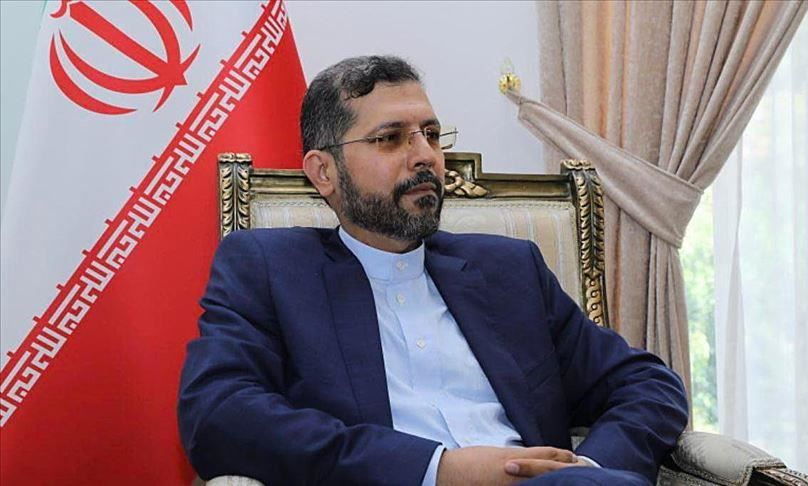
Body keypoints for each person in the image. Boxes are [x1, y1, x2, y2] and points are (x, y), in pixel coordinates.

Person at [178, 55, 688, 486]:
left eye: (431, 134)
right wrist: (436, 470)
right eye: (390, 138)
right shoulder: (270, 269)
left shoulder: (509, 271)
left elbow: (647, 384)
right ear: (323, 172)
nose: (425, 156)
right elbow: (218, 415)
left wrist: (589, 469)